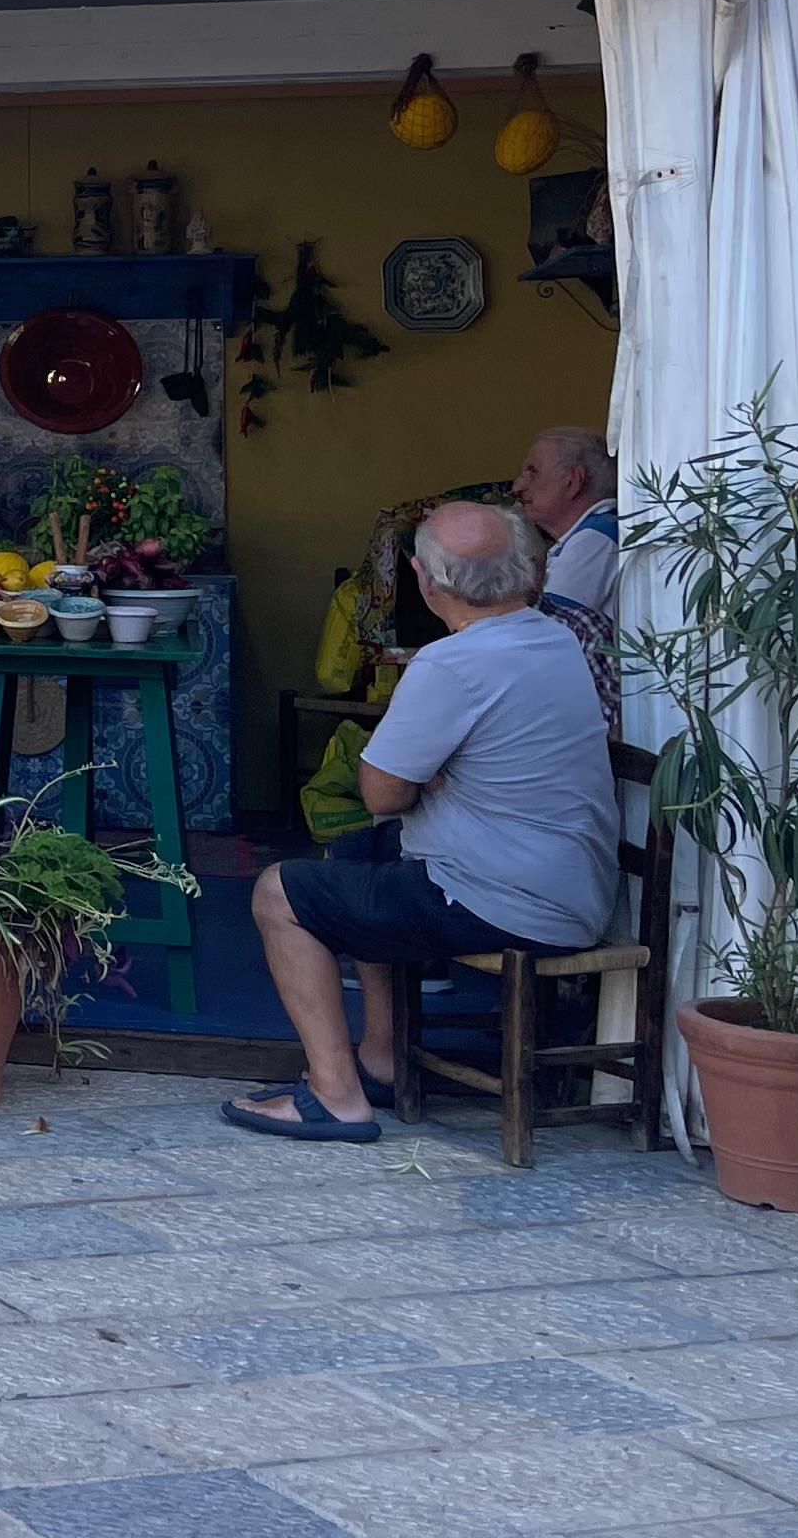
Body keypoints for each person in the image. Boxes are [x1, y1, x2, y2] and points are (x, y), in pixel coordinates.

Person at [227, 499, 619, 1142]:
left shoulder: (450, 663)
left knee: (280, 893)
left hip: (503, 900)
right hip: (575, 892)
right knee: (359, 857)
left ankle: (335, 1094)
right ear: (532, 570)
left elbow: (381, 791)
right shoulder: (555, 638)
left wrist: (427, 772)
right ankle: (380, 1059)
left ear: (423, 578)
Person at [513, 424, 621, 615]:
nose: (517, 487)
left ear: (573, 481)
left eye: (533, 472)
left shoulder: (595, 539)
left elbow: (543, 628)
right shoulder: (594, 533)